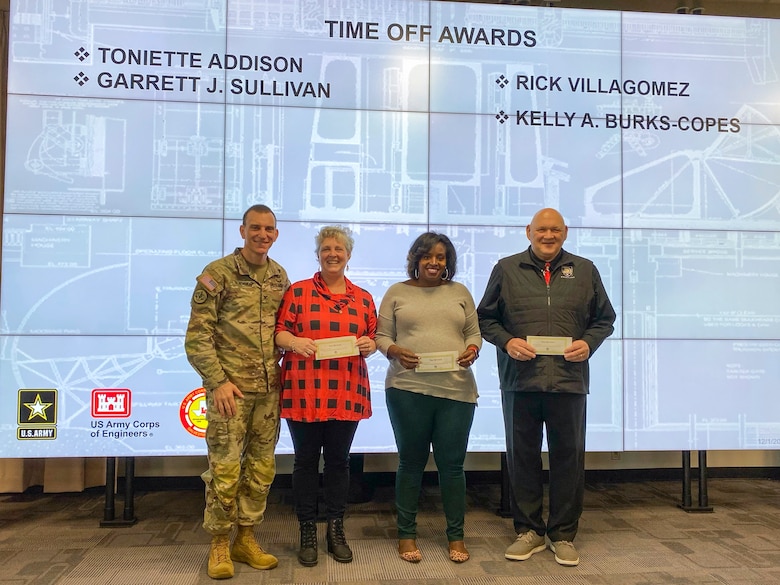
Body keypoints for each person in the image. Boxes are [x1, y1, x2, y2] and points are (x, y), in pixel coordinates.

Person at [477, 208, 615, 567]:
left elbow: (605, 319)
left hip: (569, 381)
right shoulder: (506, 269)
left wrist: (589, 343)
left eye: (555, 229)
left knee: (569, 459)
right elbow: (485, 319)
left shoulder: (585, 270)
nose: (548, 235)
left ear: (565, 232)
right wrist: (507, 342)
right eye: (542, 229)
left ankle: (563, 534)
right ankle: (528, 531)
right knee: (521, 457)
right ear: (529, 231)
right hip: (520, 381)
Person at [185, 204, 290, 580]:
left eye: (269, 229)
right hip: (230, 391)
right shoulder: (218, 274)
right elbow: (198, 337)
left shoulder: (279, 276)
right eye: (256, 228)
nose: (263, 235)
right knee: (226, 471)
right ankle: (218, 544)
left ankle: (246, 538)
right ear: (242, 231)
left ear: (276, 234)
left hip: (269, 391)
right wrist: (217, 382)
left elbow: (285, 328)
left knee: (261, 469)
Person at [375, 232, 482, 564]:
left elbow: (473, 333)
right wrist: (393, 350)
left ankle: (456, 537)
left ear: (447, 261)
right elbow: (381, 336)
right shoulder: (396, 292)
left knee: (452, 467)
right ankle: (406, 535)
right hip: (408, 389)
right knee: (410, 463)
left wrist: (472, 350)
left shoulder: (460, 292)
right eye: (427, 256)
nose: (434, 262)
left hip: (456, 390)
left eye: (441, 257)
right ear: (416, 259)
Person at [274, 225, 377, 567]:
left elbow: (374, 338)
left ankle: (335, 529)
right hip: (304, 388)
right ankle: (306, 530)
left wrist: (369, 345)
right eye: (326, 248)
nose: (333, 253)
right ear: (317, 254)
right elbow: (279, 332)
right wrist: (293, 342)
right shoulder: (298, 292)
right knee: (304, 461)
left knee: (338, 462)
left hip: (345, 389)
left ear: (348, 254)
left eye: (339, 248)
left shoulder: (363, 298)